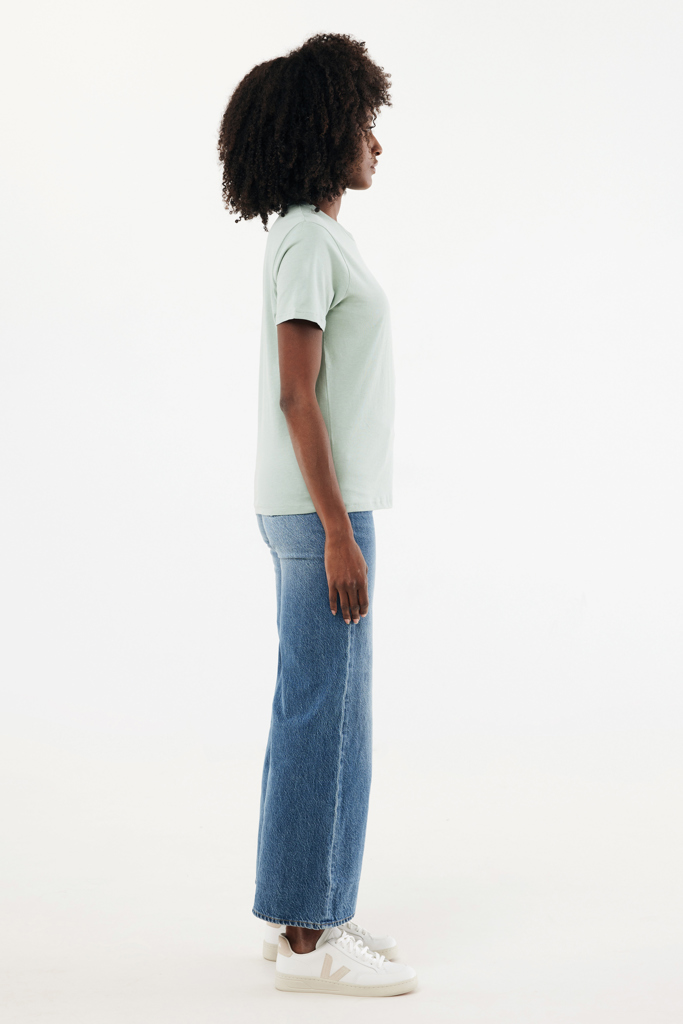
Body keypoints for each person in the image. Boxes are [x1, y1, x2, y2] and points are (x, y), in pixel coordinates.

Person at [217, 32, 417, 997]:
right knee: (329, 718)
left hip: (314, 505)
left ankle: (301, 908)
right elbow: (297, 393)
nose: (376, 140)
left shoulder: (313, 238)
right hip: (320, 511)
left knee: (314, 705)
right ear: (323, 129)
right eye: (364, 122)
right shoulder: (304, 238)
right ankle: (310, 937)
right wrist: (339, 528)